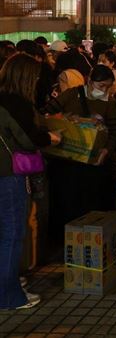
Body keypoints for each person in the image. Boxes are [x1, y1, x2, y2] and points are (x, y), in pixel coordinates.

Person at [0, 54, 61, 309]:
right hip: (8, 176)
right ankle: (9, 295)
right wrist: (52, 137)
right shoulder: (17, 104)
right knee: (12, 234)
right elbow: (28, 139)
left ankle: (9, 281)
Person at [44, 65, 116, 240]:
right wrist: (69, 120)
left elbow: (115, 130)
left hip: (93, 163)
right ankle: (65, 240)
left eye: (108, 87)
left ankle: (88, 239)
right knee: (67, 202)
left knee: (91, 203)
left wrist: (106, 150)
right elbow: (46, 114)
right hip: (68, 161)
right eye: (101, 86)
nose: (104, 90)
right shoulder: (72, 94)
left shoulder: (109, 102)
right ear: (90, 81)